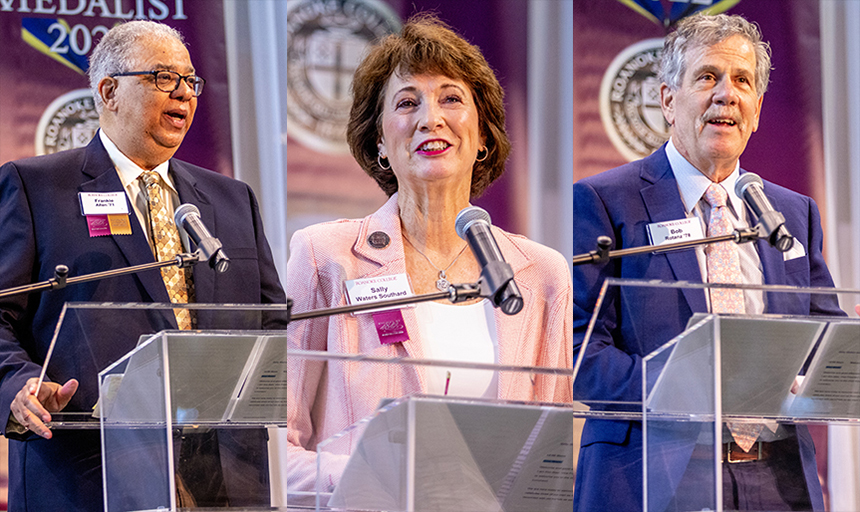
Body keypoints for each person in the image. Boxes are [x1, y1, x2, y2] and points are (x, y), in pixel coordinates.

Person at [0, 21, 286, 511]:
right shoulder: (36, 187)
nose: (184, 93)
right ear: (109, 91)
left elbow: (270, 318)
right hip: (89, 470)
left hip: (225, 475)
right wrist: (18, 385)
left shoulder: (232, 199)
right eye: (162, 77)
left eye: (191, 81)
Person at [285, 14, 573, 493]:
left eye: (452, 98)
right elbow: (275, 441)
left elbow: (551, 460)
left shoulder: (541, 275)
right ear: (380, 140)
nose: (429, 118)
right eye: (406, 102)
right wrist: (373, 478)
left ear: (483, 135)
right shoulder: (325, 256)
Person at [571, 14, 845, 512]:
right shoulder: (605, 201)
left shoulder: (791, 212)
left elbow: (825, 334)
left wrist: (826, 373)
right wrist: (684, 389)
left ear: (757, 110)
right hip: (652, 472)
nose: (727, 95)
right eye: (707, 77)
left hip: (776, 477)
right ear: (668, 100)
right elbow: (580, 353)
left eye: (742, 82)